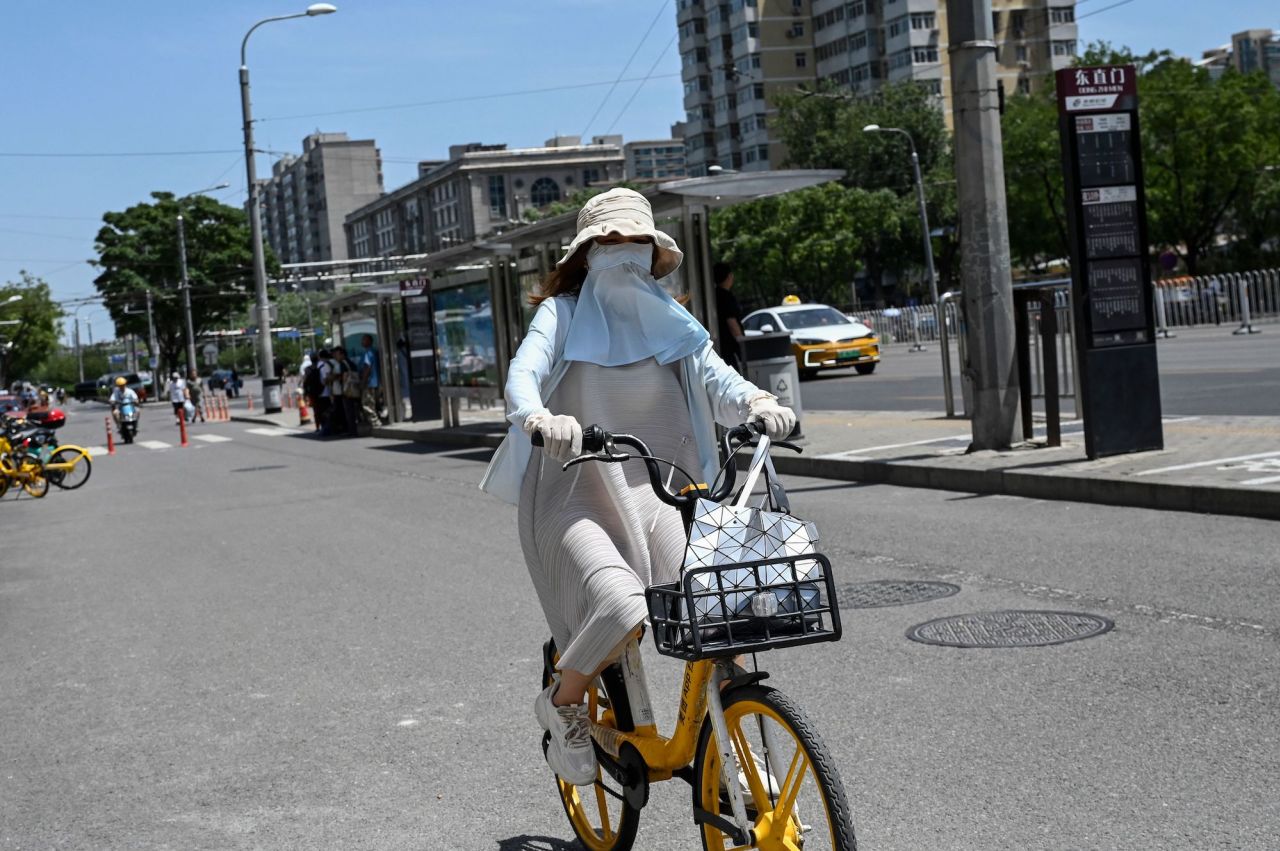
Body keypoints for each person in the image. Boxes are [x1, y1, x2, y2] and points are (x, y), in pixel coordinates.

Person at [479, 188, 796, 785]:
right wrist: (538, 417)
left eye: (637, 242)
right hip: (575, 494)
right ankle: (564, 703)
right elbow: (525, 372)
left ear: (654, 253)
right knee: (622, 605)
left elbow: (716, 375)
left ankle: (739, 750)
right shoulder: (563, 313)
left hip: (662, 492)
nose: (624, 253)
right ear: (588, 253)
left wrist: (757, 400)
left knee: (718, 606)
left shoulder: (669, 319)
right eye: (610, 241)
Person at [714, 261, 744, 372]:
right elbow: (731, 322)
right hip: (729, 347)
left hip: (720, 344)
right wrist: (742, 343)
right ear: (729, 276)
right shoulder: (726, 297)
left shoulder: (714, 295)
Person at [358, 334, 383, 427]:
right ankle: (376, 419)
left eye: (364, 340)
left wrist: (363, 381)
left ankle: (375, 422)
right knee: (373, 402)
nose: (362, 342)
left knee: (368, 403)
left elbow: (367, 367)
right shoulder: (374, 351)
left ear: (369, 341)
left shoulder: (368, 353)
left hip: (369, 382)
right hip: (375, 381)